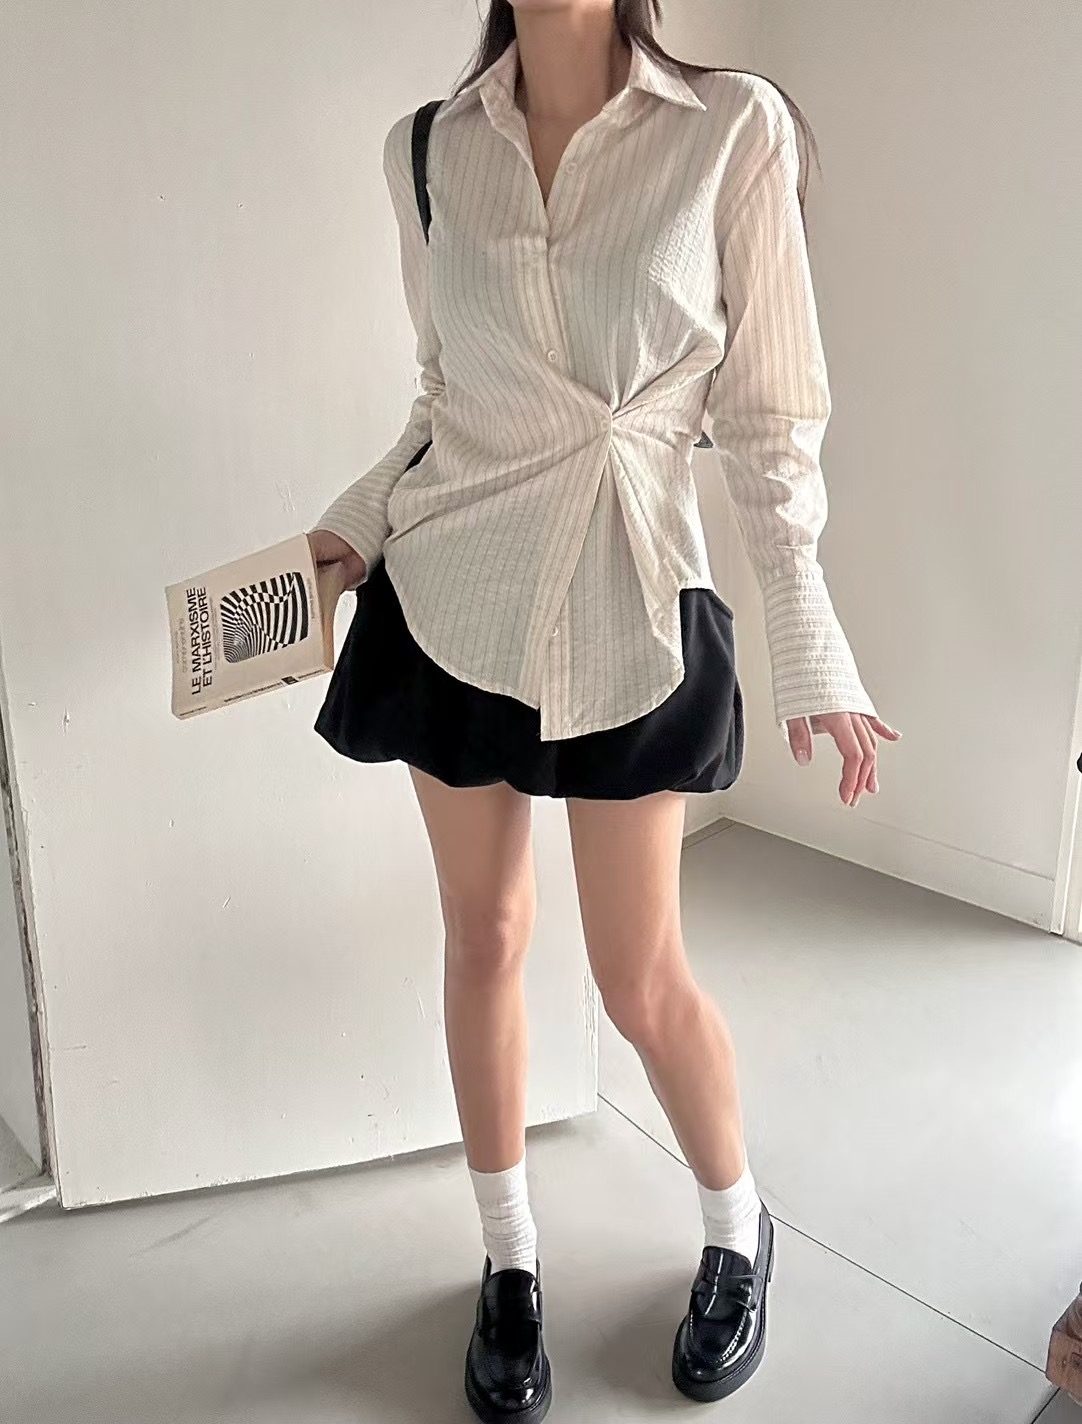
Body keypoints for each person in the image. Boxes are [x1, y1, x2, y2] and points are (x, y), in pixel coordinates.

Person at [310, 1, 899, 1417]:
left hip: (636, 594)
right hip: (452, 593)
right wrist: (347, 530)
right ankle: (508, 1262)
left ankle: (737, 1225)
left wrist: (808, 637)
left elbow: (768, 415)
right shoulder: (425, 152)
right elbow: (441, 397)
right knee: (484, 938)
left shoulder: (732, 129)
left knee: (640, 977)